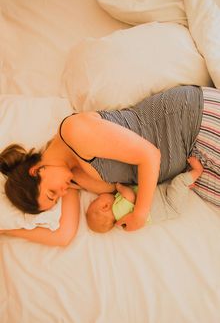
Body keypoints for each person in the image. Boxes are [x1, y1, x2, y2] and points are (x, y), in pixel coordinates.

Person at [0, 85, 219, 245]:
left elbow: (149, 155)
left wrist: (140, 214)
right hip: (190, 157)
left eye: (51, 193)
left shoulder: (73, 132)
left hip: (190, 121)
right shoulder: (70, 177)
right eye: (55, 198)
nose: (61, 193)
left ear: (37, 170)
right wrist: (6, 231)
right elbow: (63, 236)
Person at [86, 157, 204, 233]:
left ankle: (186, 185)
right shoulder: (118, 211)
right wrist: (120, 187)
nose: (99, 196)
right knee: (179, 182)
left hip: (165, 199)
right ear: (105, 207)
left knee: (174, 184)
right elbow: (130, 196)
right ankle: (198, 171)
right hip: (169, 203)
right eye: (96, 199)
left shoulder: (121, 216)